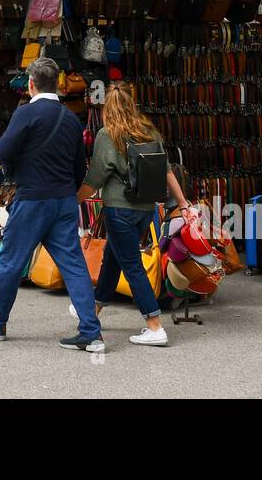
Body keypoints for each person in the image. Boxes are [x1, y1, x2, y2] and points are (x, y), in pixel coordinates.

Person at [0, 58, 103, 352]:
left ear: (30, 84)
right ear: (58, 84)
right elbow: (80, 166)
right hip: (64, 200)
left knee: (12, 259)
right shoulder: (70, 119)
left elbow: (2, 150)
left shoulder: (26, 113)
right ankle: (91, 332)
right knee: (74, 265)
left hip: (33, 199)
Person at [77, 83, 189, 347]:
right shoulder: (149, 132)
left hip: (119, 209)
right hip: (145, 209)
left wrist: (73, 200)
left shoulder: (108, 135)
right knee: (114, 257)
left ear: (108, 110)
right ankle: (92, 312)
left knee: (132, 266)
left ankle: (154, 325)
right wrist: (182, 202)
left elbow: (95, 178)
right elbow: (167, 171)